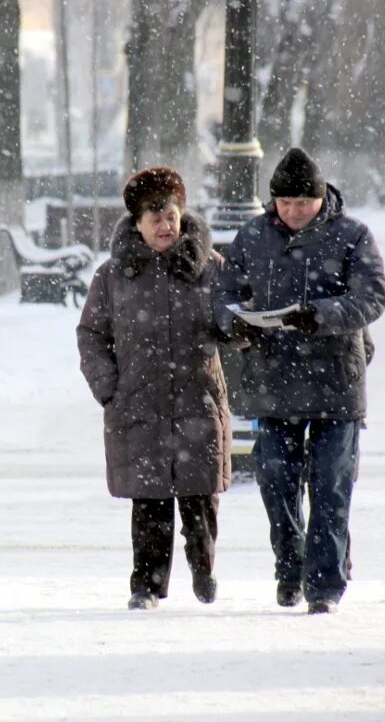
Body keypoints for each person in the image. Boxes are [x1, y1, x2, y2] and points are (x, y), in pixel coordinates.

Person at [214, 147, 385, 615]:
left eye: (302, 204)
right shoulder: (252, 236)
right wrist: (237, 323)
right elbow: (224, 296)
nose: (292, 212)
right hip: (273, 378)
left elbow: (372, 296)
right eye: (283, 203)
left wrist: (323, 315)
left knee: (330, 483)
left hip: (336, 379)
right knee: (277, 480)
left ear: (321, 199)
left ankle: (325, 583)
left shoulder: (352, 235)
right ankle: (290, 566)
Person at [77, 166, 232, 611]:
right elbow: (91, 334)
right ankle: (146, 586)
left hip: (196, 400)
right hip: (138, 403)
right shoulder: (112, 276)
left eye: (172, 217)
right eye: (155, 218)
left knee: (200, 499)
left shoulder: (209, 268)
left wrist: (237, 327)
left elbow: (236, 324)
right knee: (149, 503)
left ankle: (203, 568)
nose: (166, 226)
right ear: (137, 223)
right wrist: (109, 386)